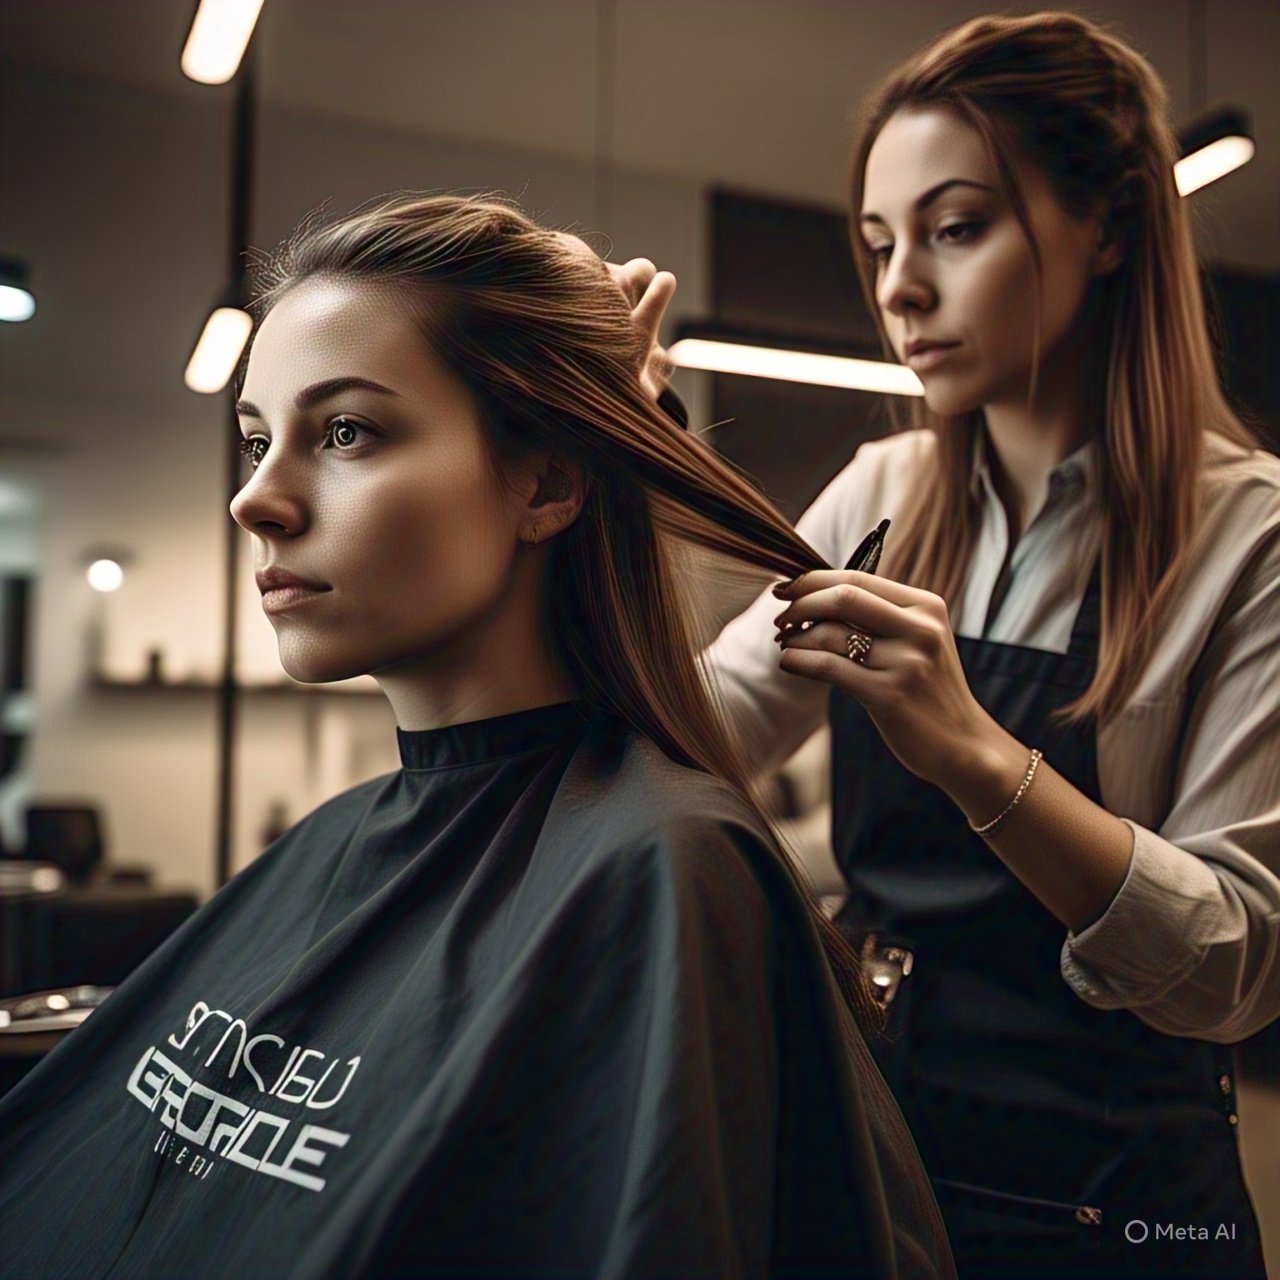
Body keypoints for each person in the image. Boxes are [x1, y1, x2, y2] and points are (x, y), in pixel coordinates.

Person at [0, 193, 955, 1280]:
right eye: (258, 441)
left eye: (345, 432)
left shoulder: (663, 862)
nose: (254, 500)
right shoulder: (345, 835)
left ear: (546, 482)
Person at [623, 12, 1277, 1280]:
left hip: (1116, 1206)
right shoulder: (878, 494)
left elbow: (1232, 965)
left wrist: (977, 755)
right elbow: (689, 733)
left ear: (1107, 228)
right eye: (878, 244)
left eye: (956, 227)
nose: (897, 288)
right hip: (881, 1151)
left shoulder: (1249, 534)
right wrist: (609, 461)